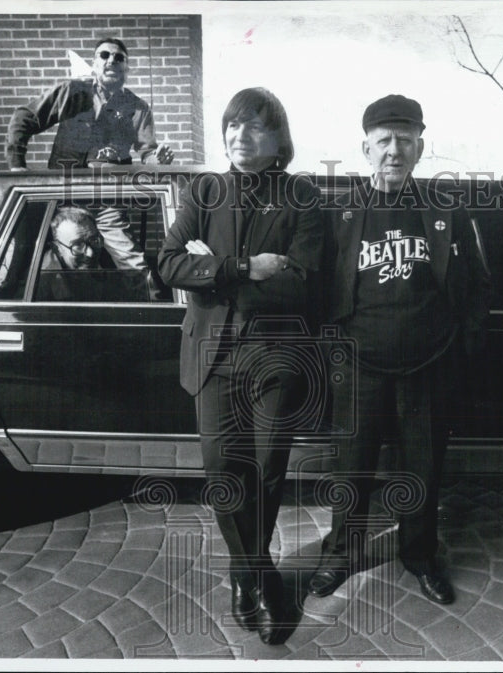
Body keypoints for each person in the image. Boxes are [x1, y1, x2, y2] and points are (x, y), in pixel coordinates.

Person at [309, 95, 491, 605]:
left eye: (405, 140)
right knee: (351, 466)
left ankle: (420, 555)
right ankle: (340, 554)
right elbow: (316, 288)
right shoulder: (338, 213)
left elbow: (478, 288)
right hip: (357, 363)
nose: (394, 150)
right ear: (365, 147)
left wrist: (458, 346)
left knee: (423, 466)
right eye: (384, 140)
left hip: (428, 363)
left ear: (420, 147)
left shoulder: (443, 210)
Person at [157, 88, 323, 644]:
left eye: (253, 127)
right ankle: (251, 571)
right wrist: (244, 268)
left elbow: (304, 284)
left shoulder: (302, 195)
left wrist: (213, 271)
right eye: (232, 126)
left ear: (278, 139)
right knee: (222, 474)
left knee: (268, 471)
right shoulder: (203, 189)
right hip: (211, 358)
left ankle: (252, 574)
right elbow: (168, 262)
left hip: (274, 358)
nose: (238, 137)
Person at [5, 37, 174, 169]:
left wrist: (157, 160)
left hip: (111, 196)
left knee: (116, 215)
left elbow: (148, 153)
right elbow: (24, 118)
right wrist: (17, 166)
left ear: (126, 68)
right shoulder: (70, 91)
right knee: (70, 216)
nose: (111, 60)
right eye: (104, 55)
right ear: (94, 64)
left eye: (119, 58)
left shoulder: (138, 108)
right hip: (66, 191)